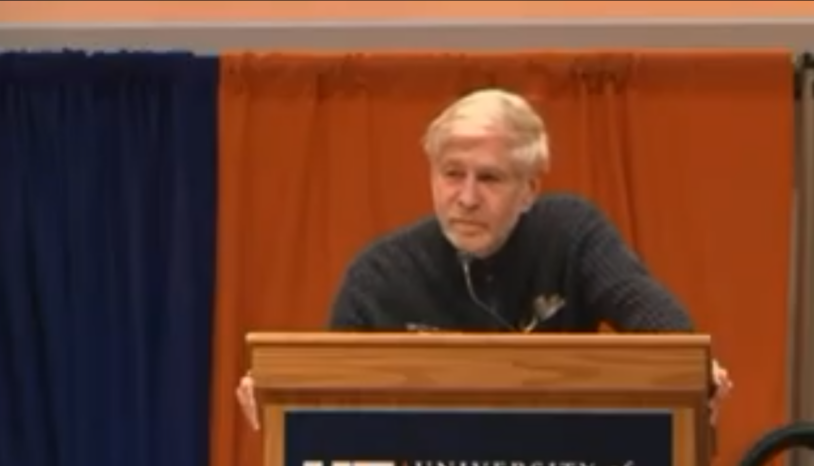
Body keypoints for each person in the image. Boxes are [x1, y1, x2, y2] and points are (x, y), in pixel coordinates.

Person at [236, 88, 733, 430]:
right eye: (452, 174)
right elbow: (330, 391)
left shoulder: (571, 234)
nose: (467, 198)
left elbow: (659, 324)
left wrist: (696, 369)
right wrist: (281, 391)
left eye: (490, 178)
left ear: (529, 189)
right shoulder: (380, 274)